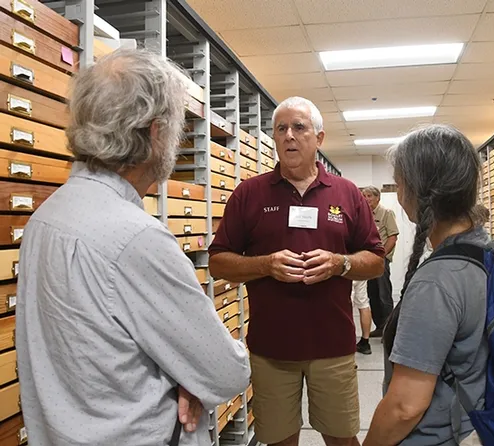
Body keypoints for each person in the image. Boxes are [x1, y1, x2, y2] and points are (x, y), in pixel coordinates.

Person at [14, 49, 251, 446]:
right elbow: (224, 372)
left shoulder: (45, 218)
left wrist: (190, 378)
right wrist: (193, 380)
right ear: (156, 133)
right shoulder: (135, 238)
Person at [208, 96, 385, 446]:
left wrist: (341, 263)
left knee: (342, 438)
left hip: (333, 345)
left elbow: (376, 259)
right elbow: (217, 261)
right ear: (274, 137)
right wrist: (264, 264)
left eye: (299, 127)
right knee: (277, 440)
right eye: (281, 129)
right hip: (272, 349)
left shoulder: (347, 194)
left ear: (319, 138)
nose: (289, 135)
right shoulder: (249, 194)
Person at [364, 124, 489, 445]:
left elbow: (405, 406)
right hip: (470, 420)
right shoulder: (483, 251)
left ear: (415, 190)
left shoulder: (438, 281)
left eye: (400, 180)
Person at [362, 186, 399, 337]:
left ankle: (389, 329)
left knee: (384, 294)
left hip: (381, 260)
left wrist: (382, 256)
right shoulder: (365, 215)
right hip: (369, 260)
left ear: (378, 198)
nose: (366, 199)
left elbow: (392, 237)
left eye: (369, 196)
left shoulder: (386, 213)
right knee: (373, 294)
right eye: (364, 196)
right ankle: (379, 327)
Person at [351, 280, 372, 355]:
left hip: (345, 274)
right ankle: (365, 342)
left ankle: (348, 341)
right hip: (360, 271)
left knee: (346, 304)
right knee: (364, 304)